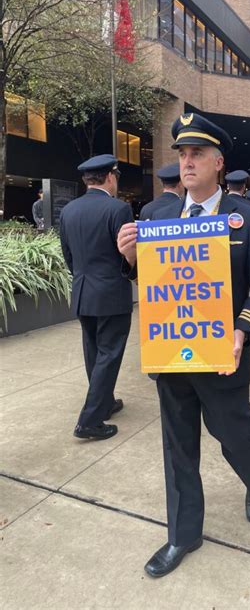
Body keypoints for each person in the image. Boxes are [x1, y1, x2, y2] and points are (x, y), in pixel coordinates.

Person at [117, 113, 250, 578]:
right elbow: (154, 281)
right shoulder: (155, 215)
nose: (187, 162)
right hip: (172, 355)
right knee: (178, 448)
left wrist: (241, 331)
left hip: (222, 357)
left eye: (197, 154)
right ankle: (183, 535)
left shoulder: (243, 216)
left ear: (218, 163)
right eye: (183, 154)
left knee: (235, 438)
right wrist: (130, 259)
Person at [59, 154, 134, 440]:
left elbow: (68, 255)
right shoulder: (118, 209)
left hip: (82, 290)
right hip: (111, 293)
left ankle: (104, 402)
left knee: (93, 351)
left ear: (86, 180)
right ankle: (89, 420)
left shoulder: (69, 211)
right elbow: (125, 254)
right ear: (111, 177)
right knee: (109, 354)